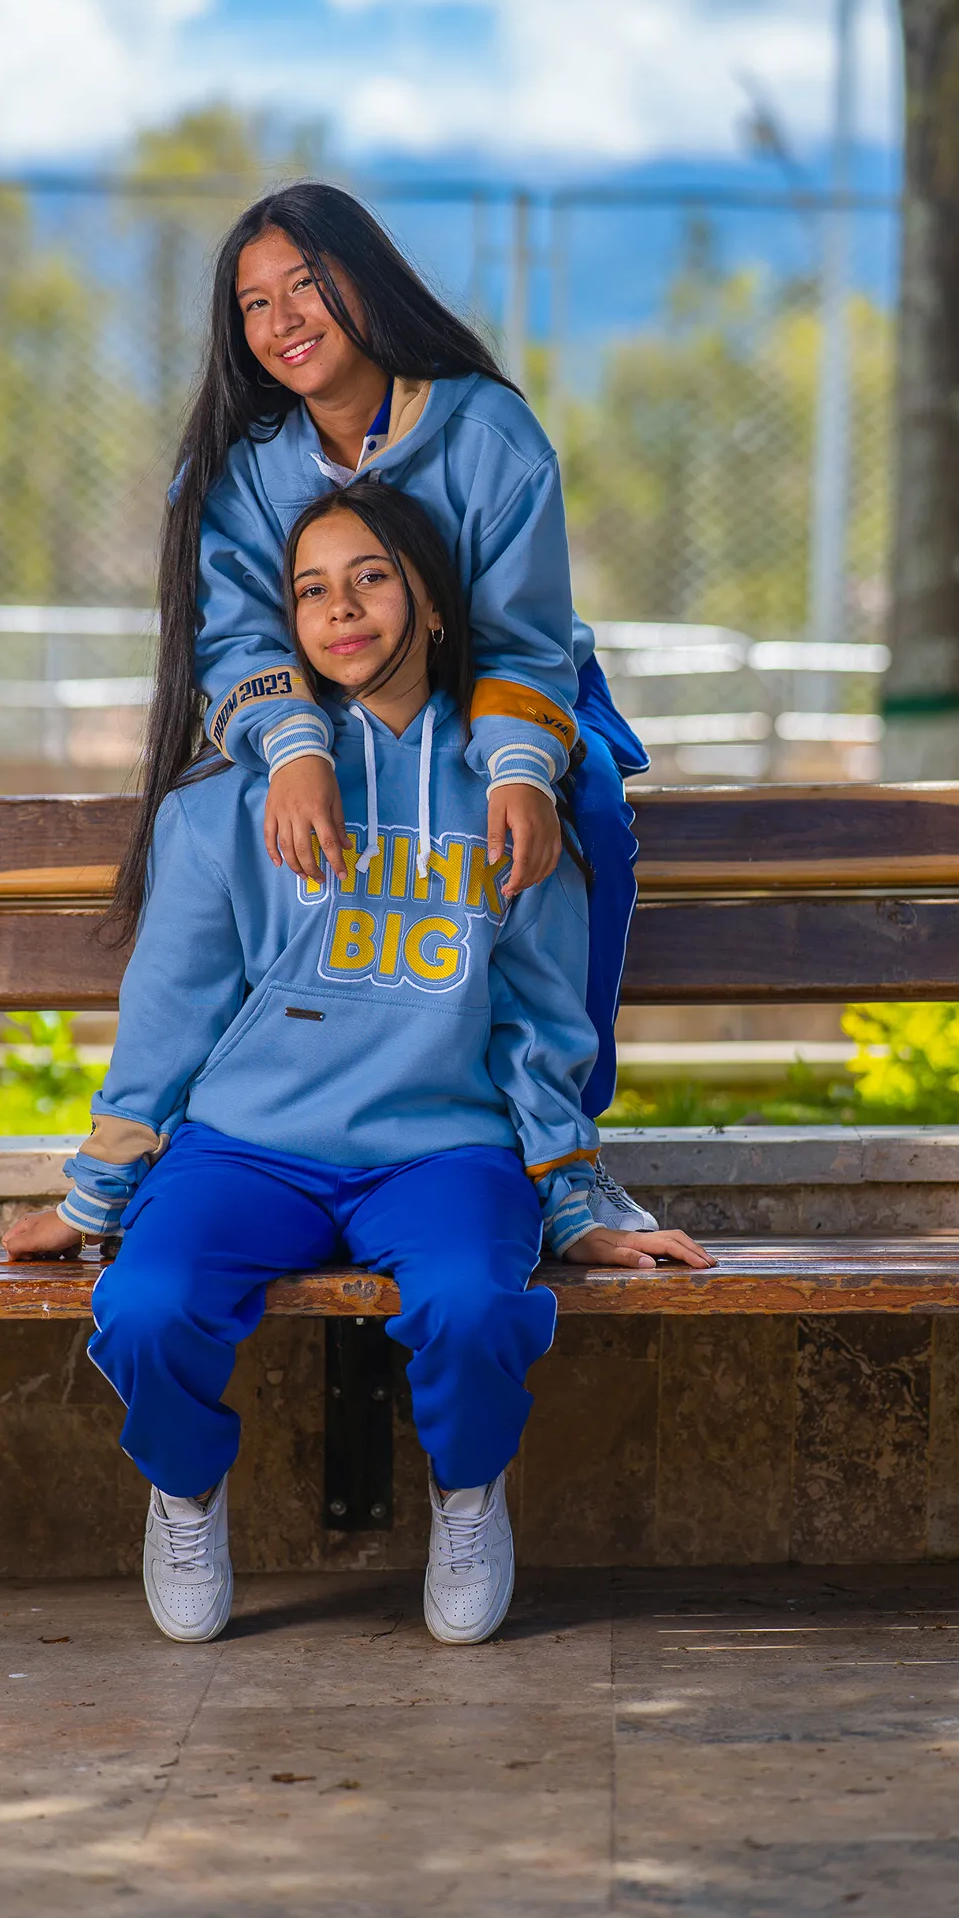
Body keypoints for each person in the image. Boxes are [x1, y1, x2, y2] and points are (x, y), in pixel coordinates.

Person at [5, 484, 711, 1646]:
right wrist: (95, 1193)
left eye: (372, 576)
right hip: (250, 1148)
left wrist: (572, 1197)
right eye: (312, 589)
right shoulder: (226, 803)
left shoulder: (510, 793)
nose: (340, 607)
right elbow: (170, 1014)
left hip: (441, 1147)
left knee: (478, 1302)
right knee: (144, 1303)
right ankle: (185, 1490)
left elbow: (541, 1019)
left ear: (432, 604)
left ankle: (469, 1492)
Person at [106, 182, 648, 1222]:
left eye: (304, 285)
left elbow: (523, 633)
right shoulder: (244, 468)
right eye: (253, 304)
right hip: (321, 709)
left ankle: (565, 1158)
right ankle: (271, 1120)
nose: (281, 320)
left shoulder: (490, 433)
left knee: (585, 825)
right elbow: (238, 637)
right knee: (232, 820)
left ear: (365, 280)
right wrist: (296, 748)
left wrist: (520, 772)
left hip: (498, 688)